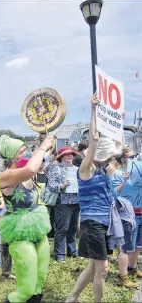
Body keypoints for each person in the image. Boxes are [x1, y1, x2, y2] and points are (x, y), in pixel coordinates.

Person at [66, 93, 118, 303]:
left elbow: (117, 145)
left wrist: (118, 120)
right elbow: (94, 139)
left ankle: (73, 297)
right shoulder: (86, 169)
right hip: (93, 224)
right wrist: (93, 109)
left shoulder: (106, 170)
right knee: (102, 269)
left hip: (104, 224)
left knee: (93, 266)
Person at [0, 134, 54, 303]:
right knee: (26, 291)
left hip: (38, 228)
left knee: (38, 286)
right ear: (11, 154)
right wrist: (42, 146)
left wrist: (47, 140)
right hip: (19, 232)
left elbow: (38, 161)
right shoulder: (6, 175)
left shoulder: (29, 172)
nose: (26, 151)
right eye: (21, 150)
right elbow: (30, 169)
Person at [112, 147, 142, 287]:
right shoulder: (117, 173)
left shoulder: (139, 171)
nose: (135, 158)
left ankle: (132, 268)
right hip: (127, 215)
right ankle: (123, 276)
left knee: (137, 245)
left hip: (140, 211)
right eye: (132, 156)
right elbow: (115, 193)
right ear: (124, 159)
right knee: (125, 247)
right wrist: (124, 181)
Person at [48, 147, 80, 263]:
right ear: (61, 157)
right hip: (63, 202)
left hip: (76, 201)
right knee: (62, 228)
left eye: (71, 154)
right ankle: (59, 254)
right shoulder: (56, 169)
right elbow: (51, 185)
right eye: (67, 155)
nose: (70, 156)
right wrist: (62, 185)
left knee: (73, 228)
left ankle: (72, 251)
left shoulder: (77, 169)